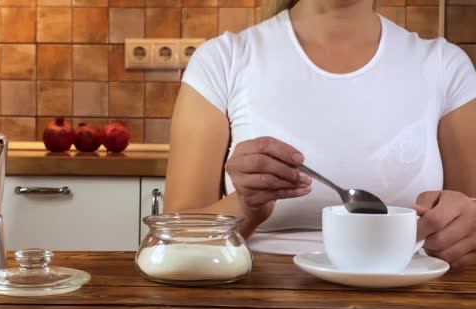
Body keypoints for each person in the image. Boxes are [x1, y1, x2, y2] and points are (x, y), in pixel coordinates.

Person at [164, 0, 476, 268]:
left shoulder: (446, 66)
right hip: (255, 302)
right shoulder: (222, 60)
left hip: (413, 300)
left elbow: (468, 224)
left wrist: (461, 230)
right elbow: (174, 243)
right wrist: (246, 206)